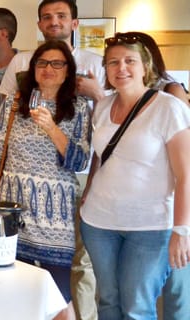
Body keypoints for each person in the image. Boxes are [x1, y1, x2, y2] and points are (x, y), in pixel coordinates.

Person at [0, 2, 105, 317]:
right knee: (19, 270)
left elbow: (106, 119)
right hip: (20, 180)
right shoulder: (22, 59)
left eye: (61, 16)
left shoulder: (95, 63)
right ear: (39, 23)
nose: (54, 22)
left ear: (75, 23)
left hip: (78, 176)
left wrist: (96, 94)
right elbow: (6, 111)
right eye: (47, 17)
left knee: (78, 264)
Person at [79, 33, 190, 319]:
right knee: (108, 302)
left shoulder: (169, 107)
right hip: (99, 223)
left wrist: (182, 230)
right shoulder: (103, 106)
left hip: (150, 227)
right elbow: (99, 157)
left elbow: (185, 175)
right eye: (113, 62)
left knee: (136, 308)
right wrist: (87, 195)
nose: (121, 68)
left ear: (145, 66)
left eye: (130, 61)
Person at [0, 40, 90, 306]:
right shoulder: (15, 104)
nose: (48, 69)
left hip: (54, 217)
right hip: (12, 209)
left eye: (57, 63)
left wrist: (52, 128)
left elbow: (79, 161)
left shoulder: (79, 109)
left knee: (56, 295)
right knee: (10, 289)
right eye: (42, 63)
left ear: (68, 70)